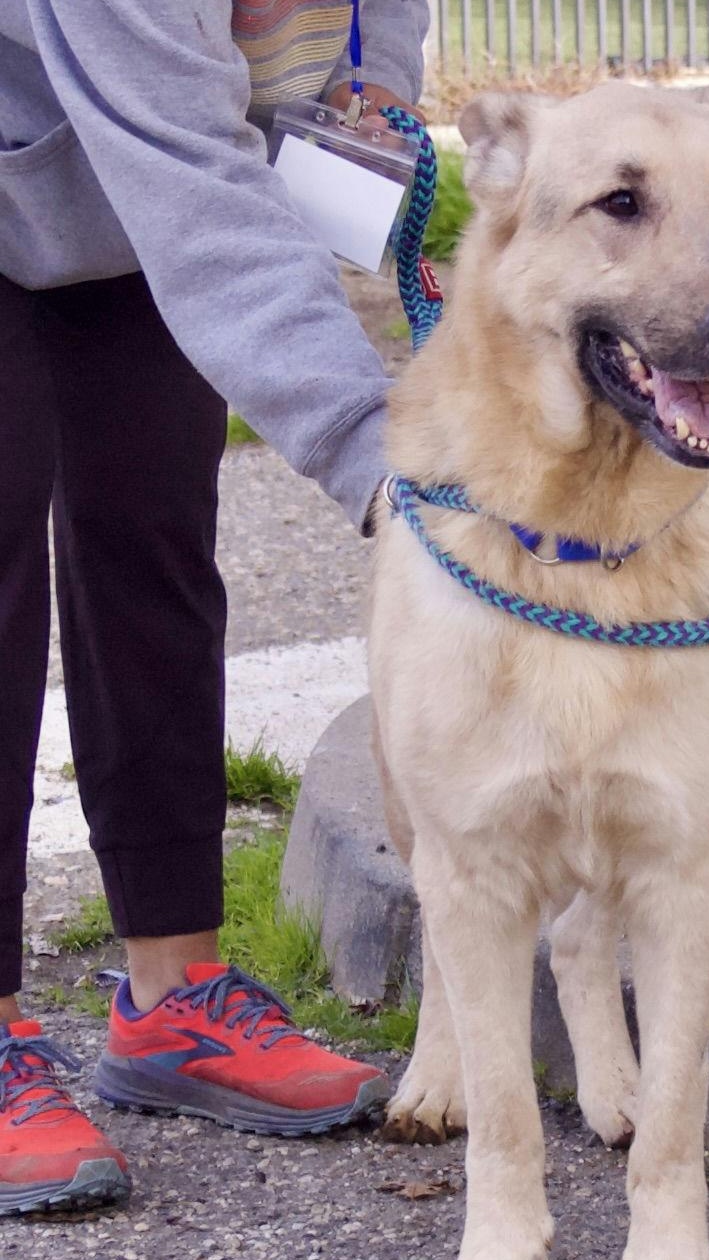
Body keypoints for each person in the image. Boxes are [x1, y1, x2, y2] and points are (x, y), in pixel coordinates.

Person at [0, 0, 429, 1215]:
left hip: (135, 166)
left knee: (154, 540)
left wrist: (361, 128)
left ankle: (171, 999)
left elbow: (367, 33)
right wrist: (380, 458)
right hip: (98, 131)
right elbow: (192, 172)